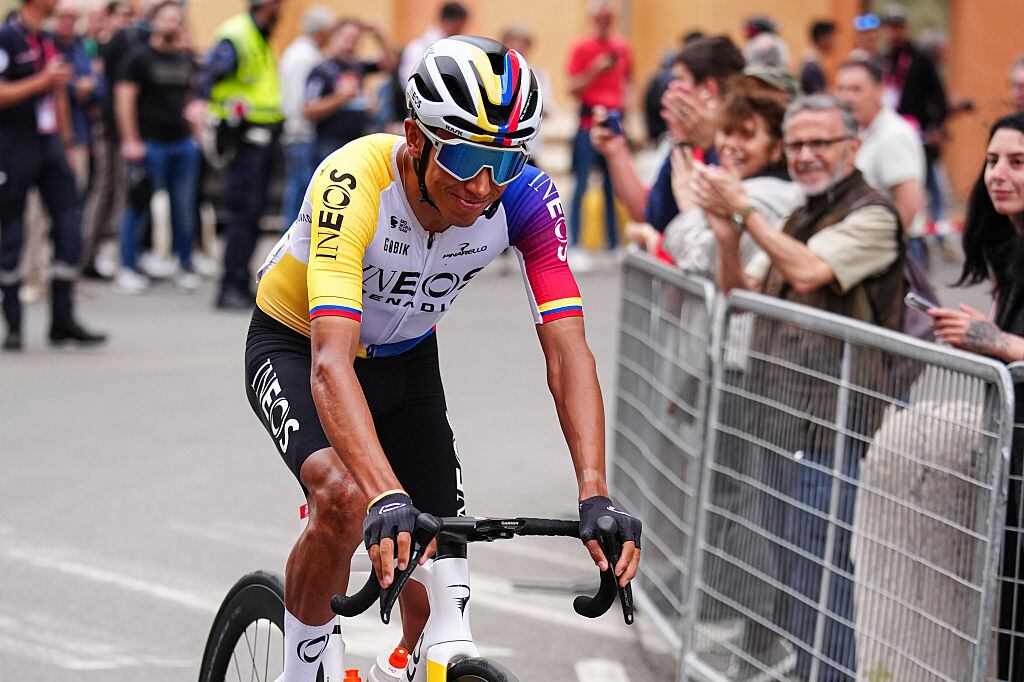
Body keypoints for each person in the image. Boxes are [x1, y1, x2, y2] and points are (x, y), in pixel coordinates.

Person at [244, 36, 642, 682]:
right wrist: (382, 494)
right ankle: (302, 667)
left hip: (406, 357)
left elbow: (568, 351)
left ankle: (408, 660)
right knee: (346, 498)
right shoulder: (356, 179)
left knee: (439, 533)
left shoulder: (526, 198)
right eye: (462, 156)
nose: (482, 186)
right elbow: (329, 365)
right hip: (299, 344)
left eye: (503, 162)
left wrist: (594, 489)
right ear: (415, 136)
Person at [701, 94, 905, 681]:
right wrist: (725, 234)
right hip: (782, 418)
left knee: (823, 579)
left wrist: (746, 212)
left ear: (853, 147)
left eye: (821, 143)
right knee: (793, 573)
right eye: (797, 145)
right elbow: (744, 295)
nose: (807, 155)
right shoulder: (799, 215)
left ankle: (832, 675)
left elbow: (810, 271)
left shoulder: (873, 214)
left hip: (832, 427)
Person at [927, 114, 1024, 680]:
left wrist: (1000, 342)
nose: (999, 174)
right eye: (992, 161)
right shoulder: (1004, 244)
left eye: (1016, 162)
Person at [0, 0, 107, 352]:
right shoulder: (7, 37)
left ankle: (63, 321)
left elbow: (59, 91)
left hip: (51, 146)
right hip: (14, 145)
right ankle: (14, 324)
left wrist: (66, 141)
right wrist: (41, 81)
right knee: (12, 231)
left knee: (69, 225)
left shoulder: (46, 39)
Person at [591, 36, 744, 233]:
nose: (668, 92)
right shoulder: (685, 143)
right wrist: (616, 150)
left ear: (708, 89)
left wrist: (710, 143)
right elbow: (649, 215)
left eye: (679, 80)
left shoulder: (742, 148)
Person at [660, 73, 803, 278]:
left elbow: (700, 262)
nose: (731, 145)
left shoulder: (770, 197)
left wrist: (689, 208)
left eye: (747, 135)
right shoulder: (735, 189)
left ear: (776, 148)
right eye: (726, 132)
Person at [191, 0, 284, 310]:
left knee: (253, 214)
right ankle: (229, 285)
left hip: (263, 136)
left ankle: (240, 282)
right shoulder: (237, 34)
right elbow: (207, 79)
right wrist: (202, 110)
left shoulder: (259, 34)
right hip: (244, 137)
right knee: (242, 214)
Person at [114, 0, 200, 294]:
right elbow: (124, 99)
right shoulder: (137, 59)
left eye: (176, 19)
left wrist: (194, 133)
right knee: (138, 208)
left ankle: (184, 263)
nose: (170, 24)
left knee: (184, 208)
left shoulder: (185, 59)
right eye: (165, 18)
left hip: (181, 145)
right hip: (149, 145)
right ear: (154, 22)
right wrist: (130, 140)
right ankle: (127, 266)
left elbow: (189, 98)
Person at [836, 60, 926, 264]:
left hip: (893, 249)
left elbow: (909, 204)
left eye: (856, 89)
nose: (846, 97)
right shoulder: (862, 131)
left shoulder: (892, 135)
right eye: (841, 89)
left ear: (880, 90)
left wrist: (882, 253)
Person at [565, 0, 631, 263]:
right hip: (588, 121)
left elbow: (630, 81)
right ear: (594, 19)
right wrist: (595, 69)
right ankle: (577, 244)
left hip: (615, 119)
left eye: (609, 17)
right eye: (601, 17)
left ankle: (614, 244)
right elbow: (573, 88)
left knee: (613, 187)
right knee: (581, 184)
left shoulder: (623, 47)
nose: (605, 22)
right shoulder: (582, 48)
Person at [303, 18, 395, 164]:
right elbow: (309, 110)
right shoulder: (321, 70)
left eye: (356, 40)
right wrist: (340, 98)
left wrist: (379, 35)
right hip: (330, 144)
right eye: (348, 38)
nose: (351, 45)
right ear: (334, 37)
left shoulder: (357, 66)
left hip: (357, 141)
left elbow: (390, 63)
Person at [278, 5, 335, 233]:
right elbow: (303, 103)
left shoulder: (294, 51)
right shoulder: (308, 57)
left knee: (296, 190)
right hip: (301, 134)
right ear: (321, 31)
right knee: (300, 195)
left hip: (293, 132)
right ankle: (292, 243)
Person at [397, 1, 467, 83]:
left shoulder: (456, 48)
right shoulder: (417, 49)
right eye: (459, 27)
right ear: (447, 22)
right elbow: (410, 82)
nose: (461, 31)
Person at [800, 20, 836, 95]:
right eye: (832, 37)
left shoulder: (817, 61)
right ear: (822, 37)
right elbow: (818, 94)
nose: (834, 41)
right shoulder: (811, 65)